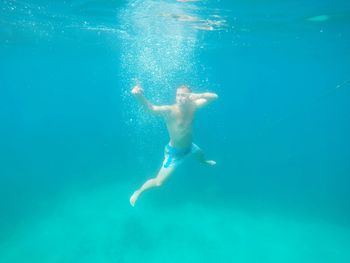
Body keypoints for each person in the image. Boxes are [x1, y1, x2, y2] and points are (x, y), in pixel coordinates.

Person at [129, 82, 218, 206]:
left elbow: (214, 97)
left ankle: (204, 162)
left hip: (190, 146)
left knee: (201, 155)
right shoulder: (170, 110)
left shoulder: (194, 106)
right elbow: (152, 108)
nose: (180, 98)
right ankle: (139, 191)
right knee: (159, 182)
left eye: (183, 95)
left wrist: (198, 95)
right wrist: (139, 96)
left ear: (190, 96)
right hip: (174, 153)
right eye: (178, 95)